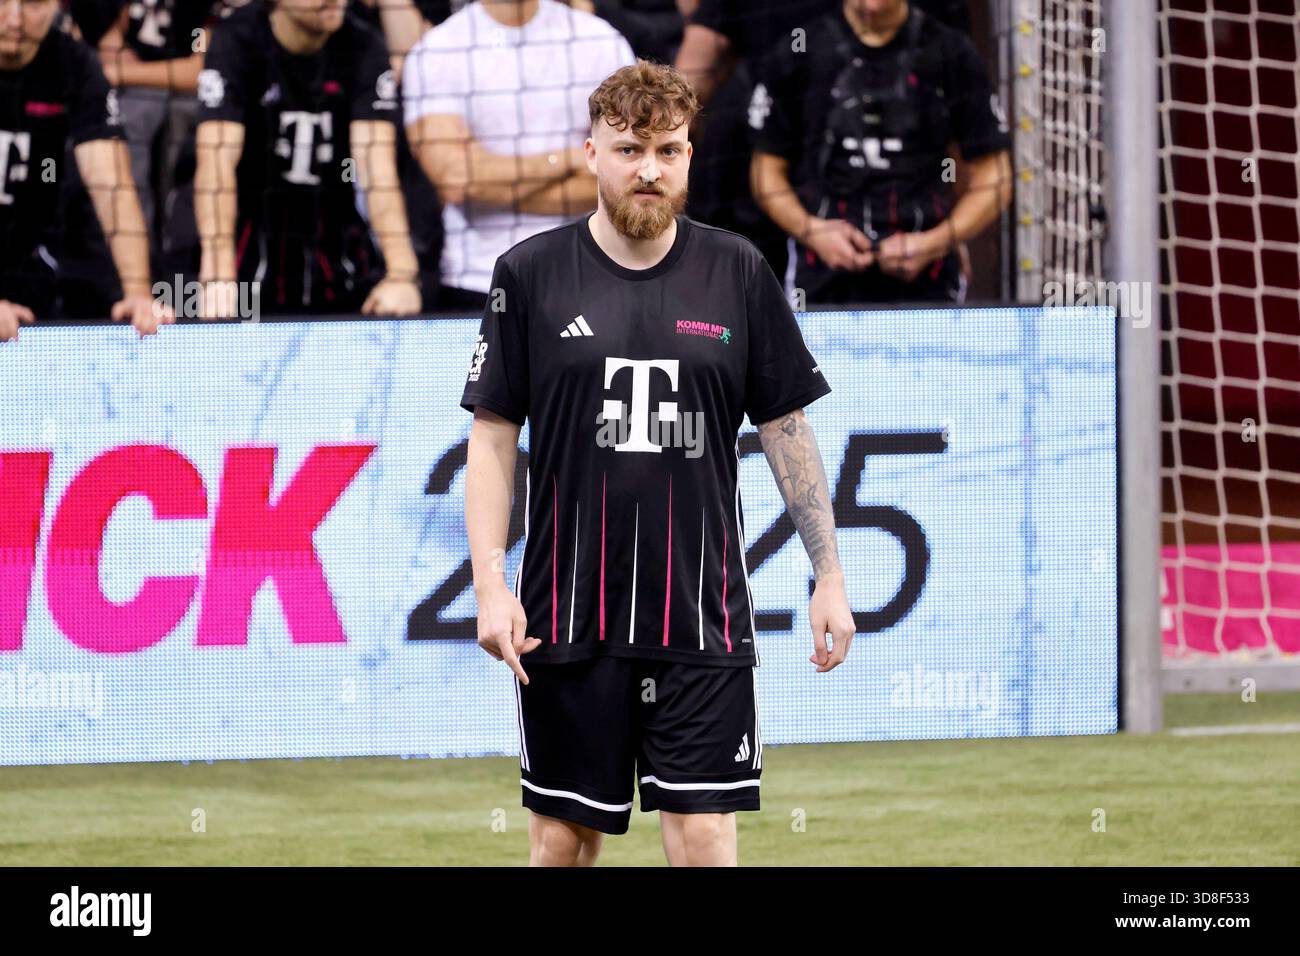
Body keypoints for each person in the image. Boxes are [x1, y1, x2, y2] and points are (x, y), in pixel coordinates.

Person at [460, 60, 855, 866]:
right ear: (591, 153)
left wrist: (831, 574)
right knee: (564, 845)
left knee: (706, 839)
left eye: (669, 150)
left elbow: (786, 429)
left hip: (701, 613)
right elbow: (494, 438)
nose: (650, 169)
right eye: (630, 148)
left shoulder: (738, 271)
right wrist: (491, 584)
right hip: (568, 619)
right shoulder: (528, 276)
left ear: (688, 156)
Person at [749, 0, 1011, 305]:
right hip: (820, 275)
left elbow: (996, 177)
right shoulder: (798, 51)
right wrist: (811, 232)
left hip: (929, 275)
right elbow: (764, 172)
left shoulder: (950, 52)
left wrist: (937, 242)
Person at [402, 0, 635, 311]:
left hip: (592, 275)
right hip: (480, 281)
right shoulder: (439, 49)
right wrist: (565, 161)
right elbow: (458, 181)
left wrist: (494, 187)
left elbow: (627, 179)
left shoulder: (600, 41)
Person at [195, 0, 421, 317]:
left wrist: (402, 274)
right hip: (251, 246)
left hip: (334, 245)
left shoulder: (363, 42)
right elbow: (216, 161)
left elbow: (377, 168)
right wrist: (217, 274)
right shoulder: (237, 39)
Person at [0, 0, 170, 341]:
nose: (15, 18)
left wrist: (137, 291)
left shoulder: (74, 63)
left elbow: (112, 184)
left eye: (32, 3)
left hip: (26, 256)